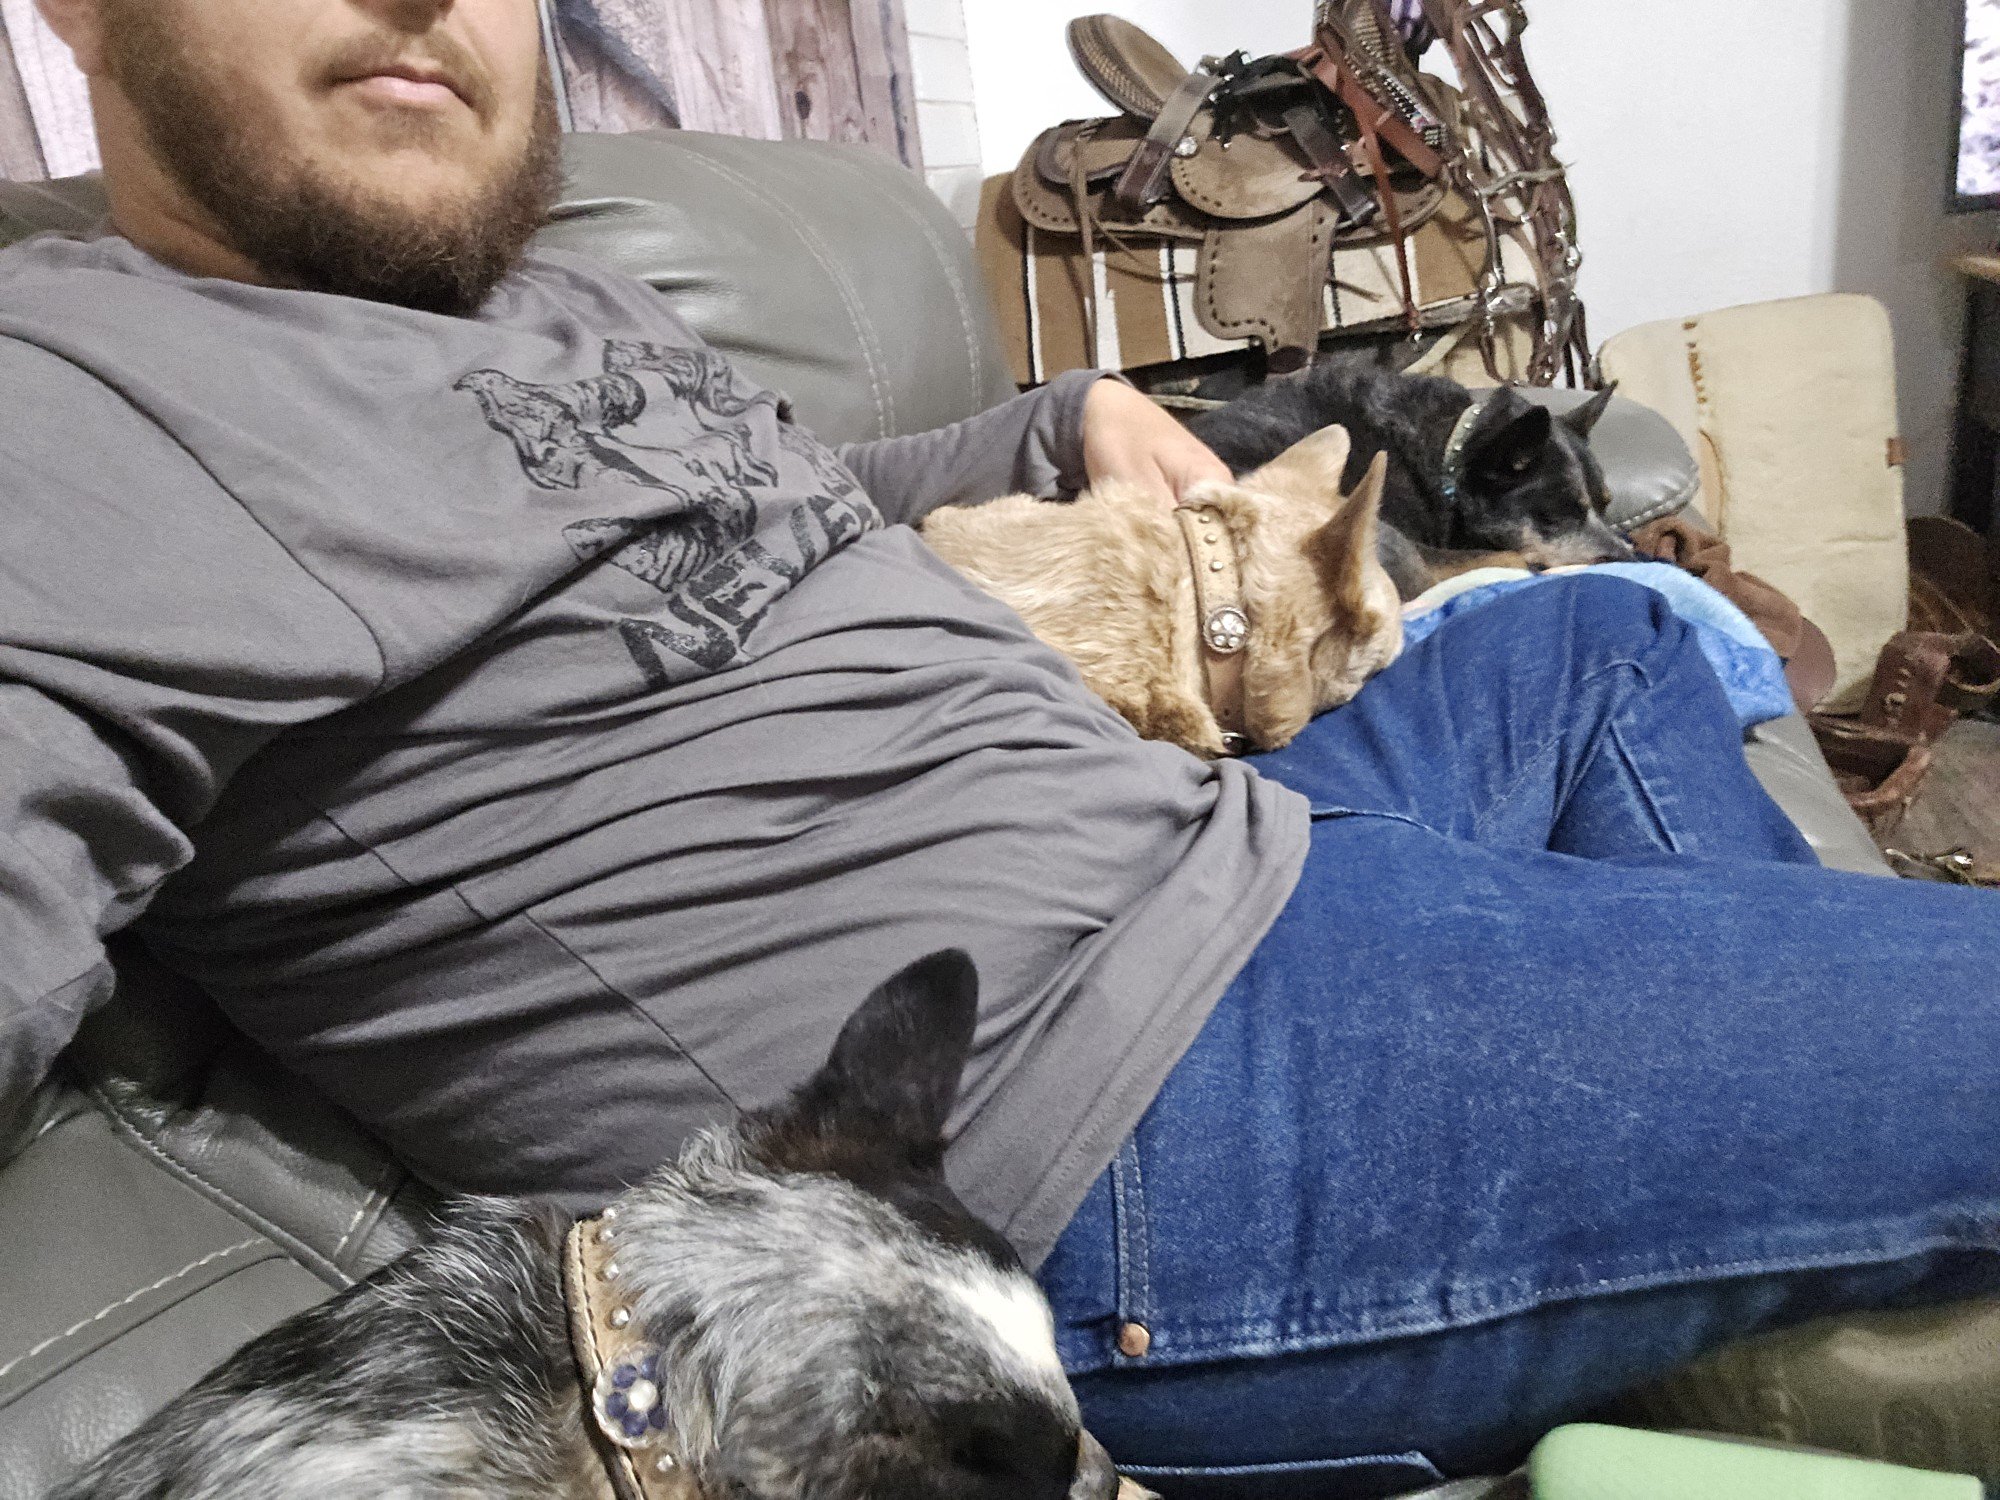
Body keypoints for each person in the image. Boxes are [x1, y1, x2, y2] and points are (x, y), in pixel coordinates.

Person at [4, 0, 1996, 1489]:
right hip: (1098, 1133)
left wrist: (1054, 427)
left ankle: (1747, 1267)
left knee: (1598, 638)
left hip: (1228, 850)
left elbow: (786, 498)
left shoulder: (548, 298)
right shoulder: (64, 412)